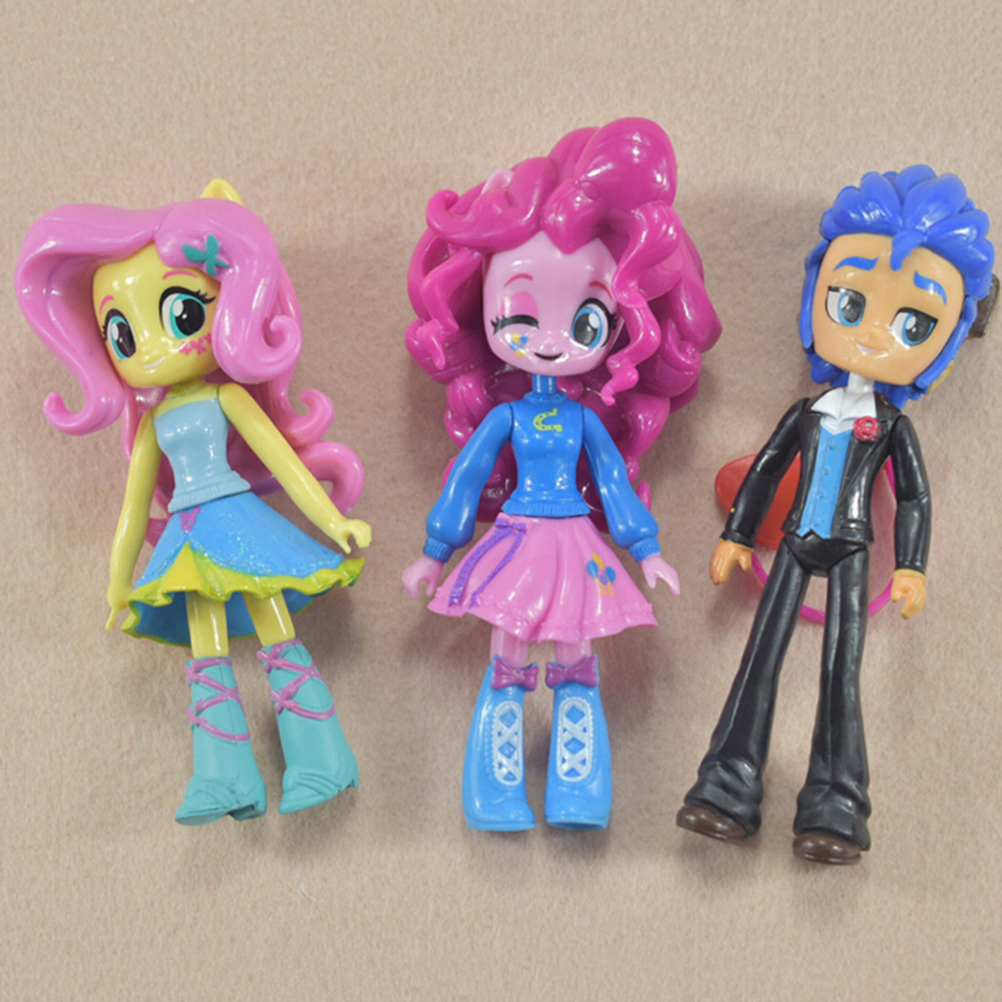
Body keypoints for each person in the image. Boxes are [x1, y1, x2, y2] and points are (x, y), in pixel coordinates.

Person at [17, 180, 371, 825]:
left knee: (274, 628)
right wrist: (119, 581)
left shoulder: (224, 397)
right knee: (205, 652)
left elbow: (285, 465)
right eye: (123, 335)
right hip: (188, 532)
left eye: (180, 315)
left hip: (235, 517)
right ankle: (224, 777)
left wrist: (333, 519)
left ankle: (322, 759)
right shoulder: (153, 426)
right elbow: (134, 509)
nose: (150, 349)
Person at [403, 119, 721, 830]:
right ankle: (496, 790)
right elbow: (466, 478)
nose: (549, 343)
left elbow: (611, 483)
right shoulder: (506, 418)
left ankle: (579, 789)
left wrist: (646, 549)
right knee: (509, 658)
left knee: (576, 659)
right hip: (517, 536)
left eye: (584, 324)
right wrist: (435, 550)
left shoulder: (583, 422)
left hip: (574, 538)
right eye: (519, 314)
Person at [677, 166, 995, 863]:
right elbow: (766, 469)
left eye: (911, 323)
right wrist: (737, 534)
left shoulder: (891, 426)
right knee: (758, 660)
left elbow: (914, 497)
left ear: (945, 340)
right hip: (795, 541)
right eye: (850, 303)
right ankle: (727, 783)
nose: (875, 334)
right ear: (815, 296)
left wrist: (911, 566)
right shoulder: (808, 412)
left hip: (851, 547)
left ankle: (837, 800)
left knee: (839, 671)